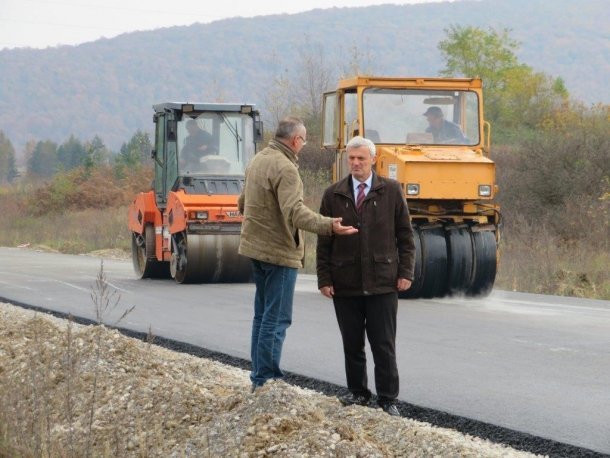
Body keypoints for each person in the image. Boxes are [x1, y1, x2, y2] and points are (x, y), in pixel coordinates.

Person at [238, 116, 358, 392]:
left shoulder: (258, 160)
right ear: (296, 140)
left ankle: (258, 377)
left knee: (262, 315)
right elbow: (295, 213)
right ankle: (268, 380)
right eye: (303, 141)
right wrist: (329, 225)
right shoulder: (286, 168)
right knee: (277, 318)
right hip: (279, 253)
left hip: (255, 248)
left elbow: (242, 202)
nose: (303, 145)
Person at [316, 136, 416, 417]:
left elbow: (405, 237)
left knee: (383, 343)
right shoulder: (333, 194)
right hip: (345, 280)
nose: (356, 163)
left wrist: (406, 272)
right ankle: (358, 393)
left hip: (383, 281)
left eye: (361, 158)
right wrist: (324, 278)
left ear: (373, 159)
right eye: (351, 158)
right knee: (352, 342)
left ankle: (387, 398)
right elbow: (324, 240)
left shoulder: (392, 191)